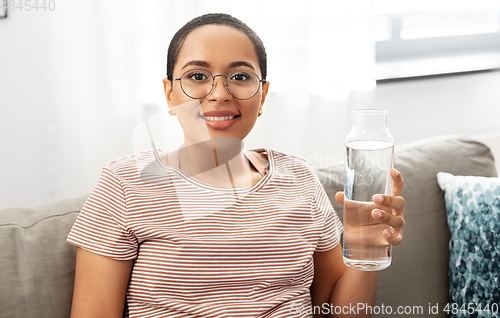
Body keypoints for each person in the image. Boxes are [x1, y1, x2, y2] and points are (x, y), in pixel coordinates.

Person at [67, 13, 406, 318]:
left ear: (262, 96)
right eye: (197, 75)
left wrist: (370, 249)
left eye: (240, 77)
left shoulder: (300, 177)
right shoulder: (125, 184)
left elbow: (335, 311)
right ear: (169, 94)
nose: (219, 93)